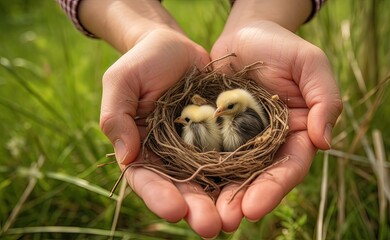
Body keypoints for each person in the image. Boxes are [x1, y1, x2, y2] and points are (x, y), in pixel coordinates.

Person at [57, 0, 342, 238]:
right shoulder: (219, 120)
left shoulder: (234, 121)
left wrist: (260, 16)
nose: (219, 114)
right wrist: (146, 32)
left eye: (224, 109)